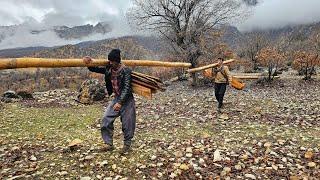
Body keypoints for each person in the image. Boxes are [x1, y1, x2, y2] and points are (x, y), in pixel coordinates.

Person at [83, 49, 136, 154]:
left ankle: (127, 145)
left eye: (112, 61)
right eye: (109, 61)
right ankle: (108, 144)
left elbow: (126, 88)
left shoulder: (126, 71)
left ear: (118, 61)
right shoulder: (109, 69)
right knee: (106, 118)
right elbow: (95, 69)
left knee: (128, 122)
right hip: (116, 98)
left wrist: (120, 102)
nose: (110, 63)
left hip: (127, 99)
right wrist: (89, 63)